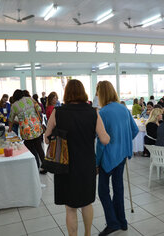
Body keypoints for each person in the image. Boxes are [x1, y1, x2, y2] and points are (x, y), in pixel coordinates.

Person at [45, 80, 110, 236]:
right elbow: (105, 139)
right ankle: (88, 234)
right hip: (86, 164)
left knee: (70, 207)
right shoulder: (92, 112)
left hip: (64, 165)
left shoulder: (57, 112)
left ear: (66, 93)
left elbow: (47, 138)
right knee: (87, 203)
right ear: (83, 93)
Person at [96, 81, 139, 236]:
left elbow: (101, 142)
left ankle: (113, 223)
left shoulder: (103, 113)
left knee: (103, 191)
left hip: (108, 157)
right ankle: (122, 221)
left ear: (100, 94)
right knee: (118, 188)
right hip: (122, 155)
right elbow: (134, 130)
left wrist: (96, 161)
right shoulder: (123, 108)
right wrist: (123, 141)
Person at [8, 90, 46, 174]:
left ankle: (33, 166)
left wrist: (10, 128)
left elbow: (11, 118)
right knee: (39, 147)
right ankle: (43, 166)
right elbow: (39, 109)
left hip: (26, 130)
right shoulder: (30, 99)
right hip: (36, 127)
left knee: (27, 148)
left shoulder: (14, 105)